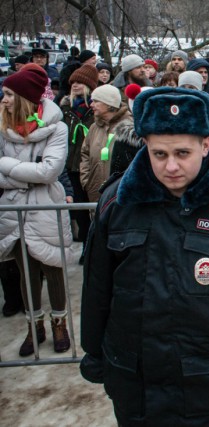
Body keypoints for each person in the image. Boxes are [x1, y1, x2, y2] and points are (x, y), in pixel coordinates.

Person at [79, 86, 209, 427]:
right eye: (159, 154)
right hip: (138, 386)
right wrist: (94, 350)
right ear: (145, 145)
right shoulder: (117, 203)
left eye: (182, 152)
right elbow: (97, 288)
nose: (172, 166)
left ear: (206, 145)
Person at [0, 60, 73, 356]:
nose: (3, 99)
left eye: (7, 94)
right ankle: (35, 325)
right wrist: (27, 175)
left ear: (23, 98)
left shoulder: (57, 128)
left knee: (52, 267)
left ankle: (59, 324)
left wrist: (7, 167)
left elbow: (50, 172)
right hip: (12, 211)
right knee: (25, 272)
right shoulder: (1, 127)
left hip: (46, 208)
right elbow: (37, 172)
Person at [60, 64, 99, 252]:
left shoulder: (95, 109)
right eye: (73, 82)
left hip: (90, 166)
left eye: (80, 83)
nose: (75, 85)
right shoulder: (65, 107)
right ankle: (85, 245)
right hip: (70, 166)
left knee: (92, 209)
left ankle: (91, 246)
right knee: (78, 212)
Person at [80, 84, 131, 202]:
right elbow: (85, 154)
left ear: (109, 104)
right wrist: (86, 181)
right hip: (95, 194)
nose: (91, 105)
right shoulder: (94, 127)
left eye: (96, 101)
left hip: (120, 196)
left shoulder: (129, 127)